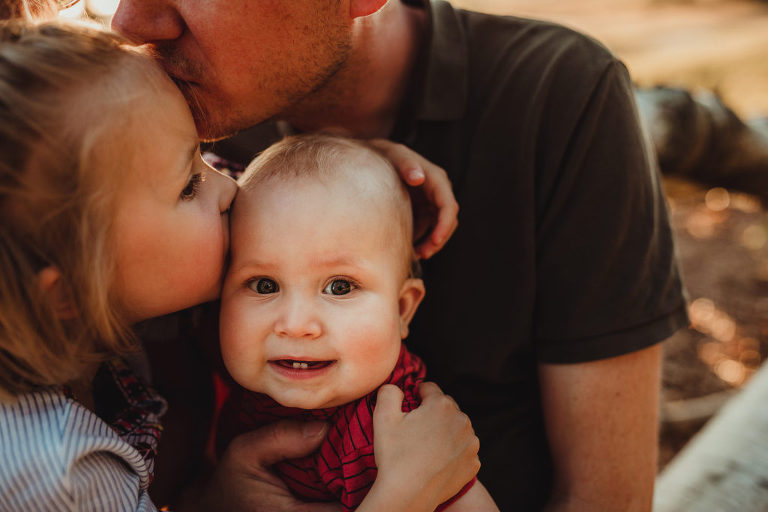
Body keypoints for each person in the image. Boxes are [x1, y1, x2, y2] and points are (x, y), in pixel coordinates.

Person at [110, 0, 691, 510]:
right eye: (264, 285)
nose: (128, 20)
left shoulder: (559, 90)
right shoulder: (173, 128)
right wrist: (212, 502)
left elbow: (605, 499)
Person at [0, 18, 480, 511]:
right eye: (189, 185)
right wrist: (400, 498)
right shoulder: (59, 473)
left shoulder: (99, 305)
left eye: (203, 160)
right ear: (71, 290)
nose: (230, 186)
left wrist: (354, 174)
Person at [215, 134, 498, 511]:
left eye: (340, 286)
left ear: (401, 310)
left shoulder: (392, 435)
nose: (296, 325)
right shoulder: (225, 379)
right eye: (265, 285)